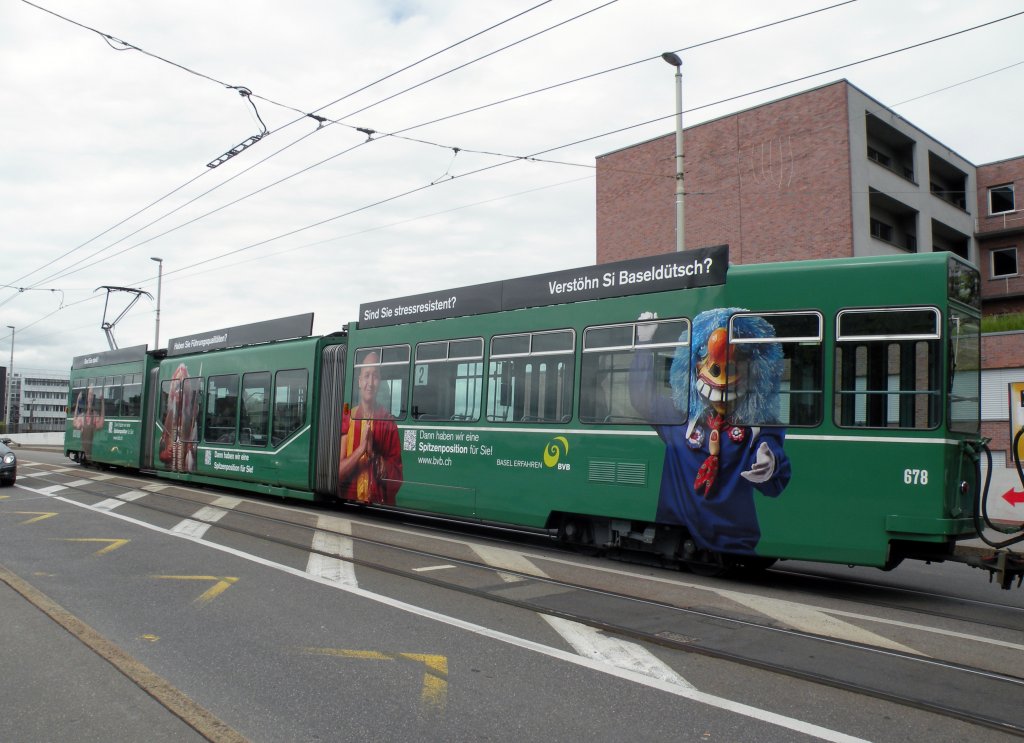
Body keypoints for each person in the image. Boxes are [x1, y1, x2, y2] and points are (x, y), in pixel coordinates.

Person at [630, 308, 791, 554]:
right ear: (693, 368)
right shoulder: (678, 418)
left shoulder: (758, 429)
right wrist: (644, 344)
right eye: (711, 367)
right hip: (677, 525)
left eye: (734, 368)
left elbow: (772, 472)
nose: (722, 380)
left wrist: (771, 464)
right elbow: (642, 399)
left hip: (735, 539)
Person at [338, 351, 403, 504]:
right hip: (348, 502)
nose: (370, 382)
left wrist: (381, 463)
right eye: (366, 375)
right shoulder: (347, 418)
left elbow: (398, 476)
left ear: (379, 381)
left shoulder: (388, 422)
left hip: (377, 504)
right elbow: (337, 473)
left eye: (375, 376)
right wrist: (361, 450)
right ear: (360, 381)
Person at [72, 384, 105, 460]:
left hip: (90, 449)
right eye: (89, 395)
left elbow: (101, 423)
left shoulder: (95, 417)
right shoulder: (82, 417)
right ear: (87, 399)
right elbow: (74, 422)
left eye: (92, 395)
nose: (90, 398)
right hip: (86, 447)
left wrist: (102, 401)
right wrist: (77, 402)